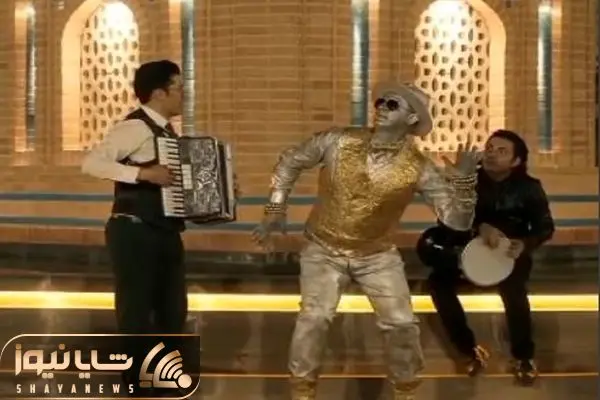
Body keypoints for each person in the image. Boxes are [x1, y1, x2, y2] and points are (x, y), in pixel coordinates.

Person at [252, 82, 480, 400]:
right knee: (314, 318)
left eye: (392, 104)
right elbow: (291, 160)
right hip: (323, 248)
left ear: (412, 118)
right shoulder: (338, 140)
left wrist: (465, 183)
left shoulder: (419, 167)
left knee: (402, 324)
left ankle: (406, 391)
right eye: (380, 102)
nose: (381, 107)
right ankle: (302, 392)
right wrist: (276, 207)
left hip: (377, 256)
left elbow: (457, 221)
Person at [81, 60, 188, 396]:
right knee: (137, 313)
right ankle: (137, 387)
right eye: (178, 87)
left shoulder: (168, 133)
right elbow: (92, 163)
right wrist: (142, 174)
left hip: (164, 231)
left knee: (172, 311)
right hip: (134, 230)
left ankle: (162, 381)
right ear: (158, 93)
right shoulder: (135, 127)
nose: (184, 94)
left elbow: (173, 185)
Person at [422, 129, 555, 386]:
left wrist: (524, 243)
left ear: (516, 161)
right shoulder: (468, 180)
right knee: (438, 284)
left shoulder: (529, 188)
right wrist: (478, 228)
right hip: (467, 254)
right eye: (490, 148)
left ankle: (524, 357)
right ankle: (469, 350)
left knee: (515, 292)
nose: (492, 154)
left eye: (501, 151)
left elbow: (545, 227)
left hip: (509, 256)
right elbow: (446, 221)